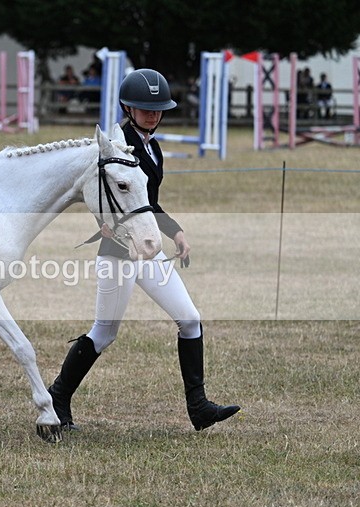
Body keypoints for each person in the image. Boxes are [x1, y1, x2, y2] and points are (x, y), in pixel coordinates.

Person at [47, 68, 240, 433]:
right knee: (104, 333)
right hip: (118, 253)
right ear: (127, 107)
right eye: (144, 108)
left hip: (149, 252)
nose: (153, 114)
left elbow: (148, 204)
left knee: (190, 319)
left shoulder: (153, 147)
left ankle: (198, 407)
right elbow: (106, 197)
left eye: (158, 108)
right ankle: (57, 396)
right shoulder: (115, 145)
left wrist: (176, 232)